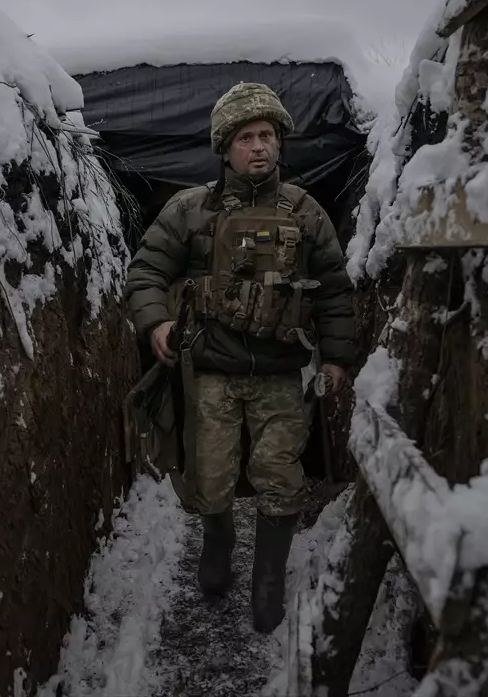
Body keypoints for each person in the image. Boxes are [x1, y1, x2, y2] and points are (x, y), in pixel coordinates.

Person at [123, 82, 358, 633]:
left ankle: (269, 580)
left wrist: (336, 359)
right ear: (224, 147)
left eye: (268, 136)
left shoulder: (305, 213)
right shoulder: (190, 209)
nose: (260, 147)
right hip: (211, 373)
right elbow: (147, 270)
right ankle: (218, 543)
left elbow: (334, 289)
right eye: (247, 137)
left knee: (279, 476)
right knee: (211, 475)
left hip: (280, 373)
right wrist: (156, 320)